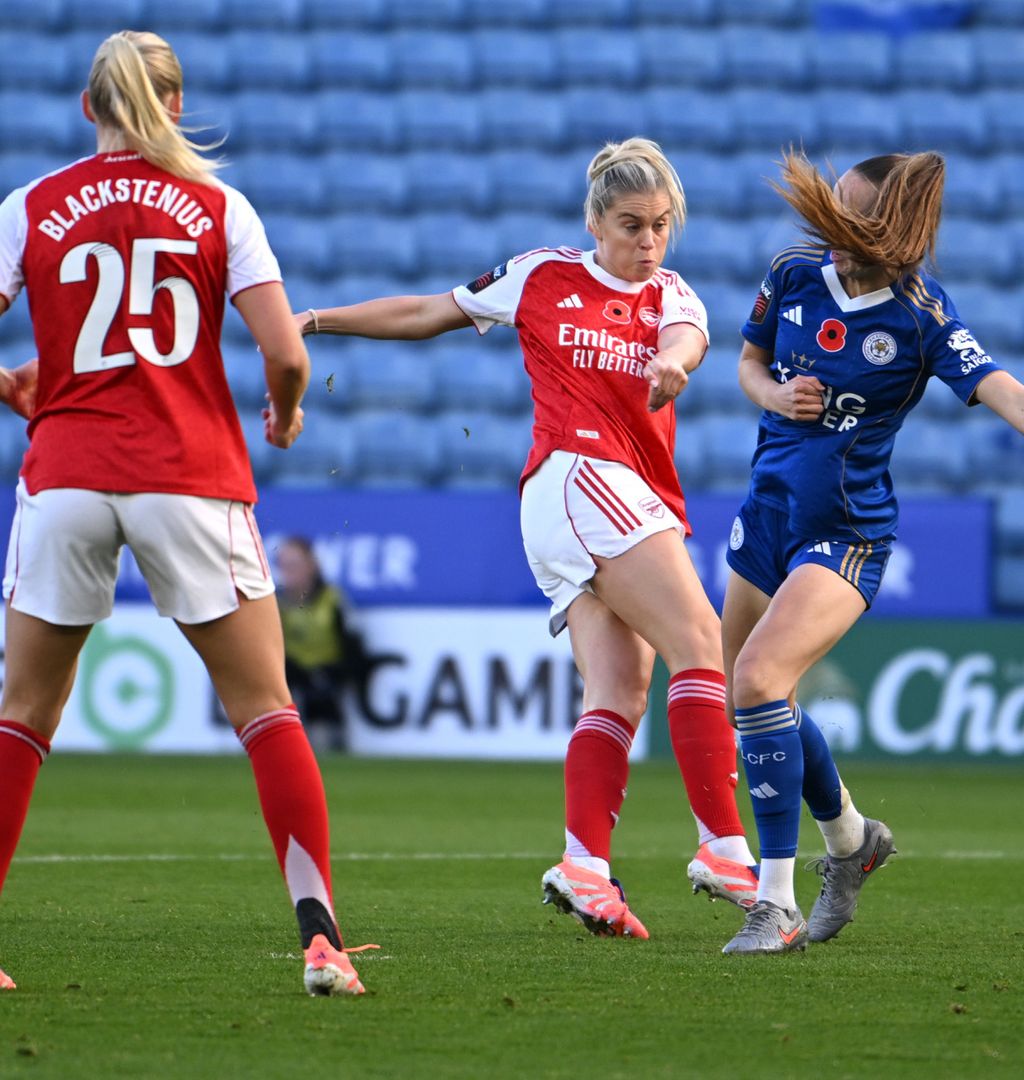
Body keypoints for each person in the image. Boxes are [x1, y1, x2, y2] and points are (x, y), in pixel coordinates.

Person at [299, 138, 757, 938]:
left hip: (612, 496)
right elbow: (425, 312)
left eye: (659, 227)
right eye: (629, 225)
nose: (646, 242)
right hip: (578, 476)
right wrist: (316, 319)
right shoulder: (543, 274)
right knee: (700, 641)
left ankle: (584, 867)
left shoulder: (675, 297)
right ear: (595, 220)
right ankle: (722, 844)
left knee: (620, 690)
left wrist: (675, 367)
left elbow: (687, 340)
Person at [0, 31, 375, 995]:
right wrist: (286, 413)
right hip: (188, 475)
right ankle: (322, 942)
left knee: (24, 715)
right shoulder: (219, 206)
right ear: (174, 106)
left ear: (89, 109)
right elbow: (285, 352)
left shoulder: (30, 207)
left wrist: (16, 381)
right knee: (264, 709)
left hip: (67, 476)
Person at [720, 150, 1024, 955]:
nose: (835, 234)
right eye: (832, 215)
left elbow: (1011, 395)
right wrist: (776, 393)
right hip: (767, 513)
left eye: (854, 220)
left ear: (895, 231)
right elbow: (749, 363)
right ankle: (854, 842)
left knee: (757, 679)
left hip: (846, 534)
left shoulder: (921, 316)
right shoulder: (791, 271)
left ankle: (774, 903)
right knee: (752, 698)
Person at [274, 536, 366, 753]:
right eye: (284, 565)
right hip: (289, 675)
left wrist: (340, 675)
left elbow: (352, 647)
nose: (288, 572)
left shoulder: (333, 600)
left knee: (321, 698)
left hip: (326, 675)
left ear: (311, 565)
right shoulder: (274, 604)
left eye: (294, 565)